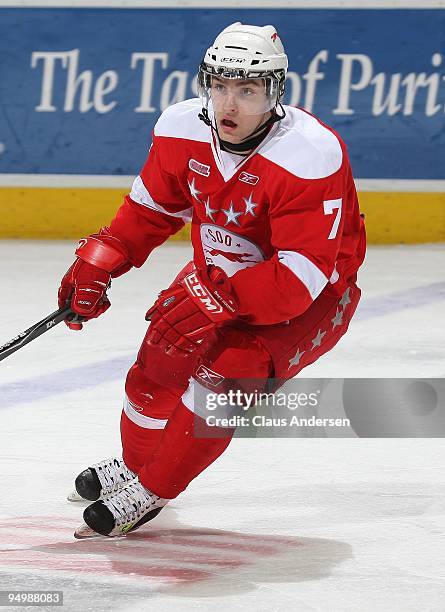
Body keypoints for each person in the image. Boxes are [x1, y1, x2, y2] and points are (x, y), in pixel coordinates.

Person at [60, 22, 366, 538]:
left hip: (313, 295)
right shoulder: (182, 129)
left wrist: (220, 300)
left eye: (248, 90)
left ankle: (153, 489)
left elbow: (299, 279)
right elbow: (151, 209)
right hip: (218, 274)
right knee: (156, 361)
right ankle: (137, 469)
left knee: (221, 382)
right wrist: (101, 257)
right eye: (221, 86)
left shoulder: (310, 154)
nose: (230, 104)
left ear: (274, 92)